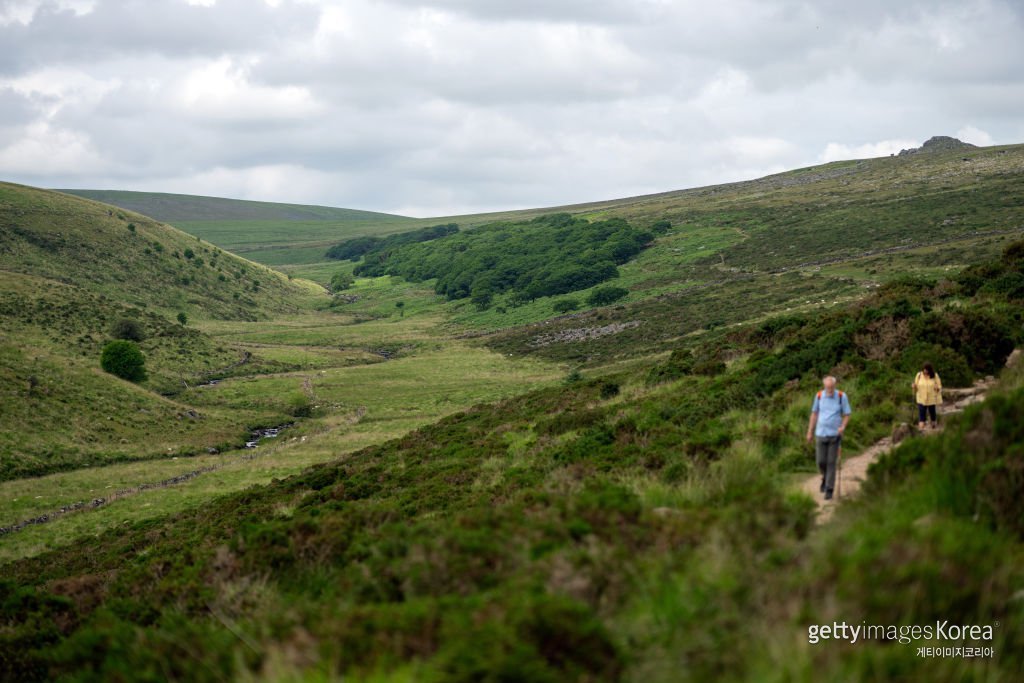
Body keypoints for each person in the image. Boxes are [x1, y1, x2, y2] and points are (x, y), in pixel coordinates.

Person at [805, 376, 852, 501]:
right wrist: (809, 432)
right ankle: (825, 477)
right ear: (824, 386)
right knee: (821, 461)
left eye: (831, 387)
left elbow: (847, 414)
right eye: (827, 388)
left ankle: (829, 489)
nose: (829, 390)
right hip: (820, 433)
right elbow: (814, 414)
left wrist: (843, 426)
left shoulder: (842, 396)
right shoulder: (819, 396)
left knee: (831, 462)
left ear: (835, 386)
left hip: (835, 435)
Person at [912, 362, 942, 431]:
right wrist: (914, 386)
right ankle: (921, 429)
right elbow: (916, 386)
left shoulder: (935, 375)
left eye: (927, 369)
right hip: (921, 398)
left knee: (932, 413)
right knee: (921, 414)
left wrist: (937, 387)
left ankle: (933, 426)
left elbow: (939, 386)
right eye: (924, 369)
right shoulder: (919, 375)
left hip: (931, 398)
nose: (925, 371)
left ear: (930, 370)